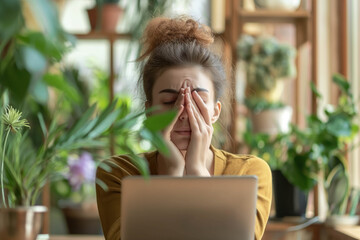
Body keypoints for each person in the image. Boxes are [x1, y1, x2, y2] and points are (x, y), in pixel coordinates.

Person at [96, 16, 272, 240]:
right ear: (149, 111)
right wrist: (172, 174)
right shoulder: (119, 174)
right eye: (170, 102)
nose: (184, 114)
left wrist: (197, 171)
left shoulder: (249, 173)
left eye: (197, 102)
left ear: (216, 111)